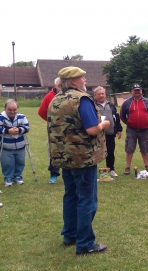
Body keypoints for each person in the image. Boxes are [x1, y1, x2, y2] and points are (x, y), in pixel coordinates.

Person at [48, 66, 110, 255]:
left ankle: (70, 235)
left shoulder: (55, 100)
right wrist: (104, 124)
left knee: (71, 196)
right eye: (82, 78)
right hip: (83, 158)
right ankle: (85, 243)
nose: (85, 80)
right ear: (73, 81)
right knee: (87, 200)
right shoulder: (81, 99)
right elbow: (92, 129)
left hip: (64, 158)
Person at [0, 99, 30, 187]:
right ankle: (8, 177)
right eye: (10, 109)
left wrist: (19, 129)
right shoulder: (0, 117)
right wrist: (8, 131)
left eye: (14, 109)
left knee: (20, 162)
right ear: (5, 108)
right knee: (7, 163)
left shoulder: (22, 116)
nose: (12, 112)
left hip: (20, 145)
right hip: (5, 146)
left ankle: (17, 176)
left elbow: (27, 127)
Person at [120, 84, 148, 175]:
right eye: (135, 90)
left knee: (145, 148)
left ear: (141, 91)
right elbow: (122, 116)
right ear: (132, 92)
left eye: (138, 90)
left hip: (144, 130)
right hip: (132, 130)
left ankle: (147, 166)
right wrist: (130, 123)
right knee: (129, 148)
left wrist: (145, 121)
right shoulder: (127, 102)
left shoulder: (147, 102)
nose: (137, 92)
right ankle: (127, 167)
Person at [93, 86, 123, 177]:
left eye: (102, 93)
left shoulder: (111, 105)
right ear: (95, 96)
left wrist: (119, 129)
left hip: (110, 133)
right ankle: (93, 171)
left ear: (105, 94)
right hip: (97, 134)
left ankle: (111, 169)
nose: (101, 95)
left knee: (110, 152)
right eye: (99, 94)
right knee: (95, 152)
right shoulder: (93, 106)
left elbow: (116, 117)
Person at [38, 77, 62, 183]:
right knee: (54, 152)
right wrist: (50, 121)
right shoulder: (49, 97)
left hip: (69, 130)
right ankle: (54, 175)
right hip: (54, 130)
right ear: (55, 85)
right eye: (59, 84)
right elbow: (41, 111)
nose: (61, 86)